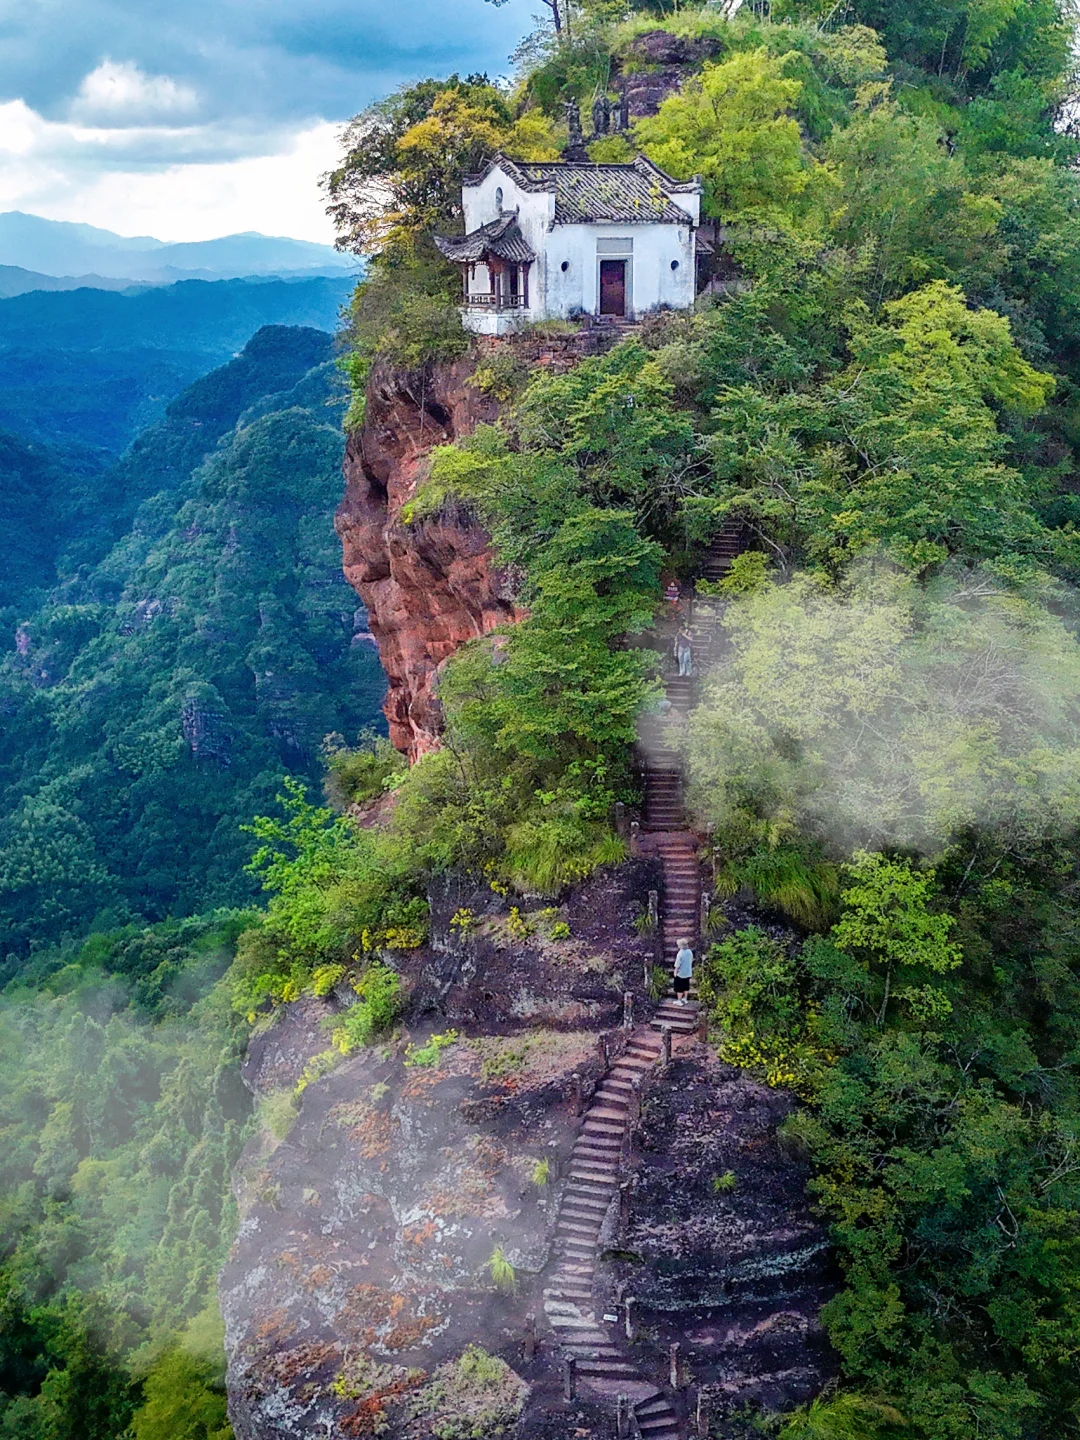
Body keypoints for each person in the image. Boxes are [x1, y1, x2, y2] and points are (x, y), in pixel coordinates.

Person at [673, 938, 694, 1004]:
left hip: (681, 973)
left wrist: (675, 972)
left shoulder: (680, 953)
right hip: (688, 972)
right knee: (686, 985)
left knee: (679, 987)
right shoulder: (689, 951)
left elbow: (677, 964)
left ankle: (679, 1000)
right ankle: (685, 998)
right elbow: (691, 960)